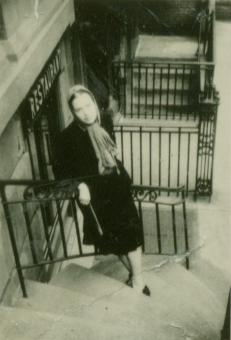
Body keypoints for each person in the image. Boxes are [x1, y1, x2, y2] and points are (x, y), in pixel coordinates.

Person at [54, 85, 150, 296]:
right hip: (96, 198)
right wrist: (79, 186)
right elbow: (61, 173)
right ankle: (135, 278)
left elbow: (111, 151)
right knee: (113, 241)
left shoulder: (104, 121)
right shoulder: (67, 138)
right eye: (79, 109)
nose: (86, 112)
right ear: (73, 112)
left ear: (94, 104)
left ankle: (138, 281)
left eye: (88, 105)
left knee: (131, 236)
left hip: (117, 189)